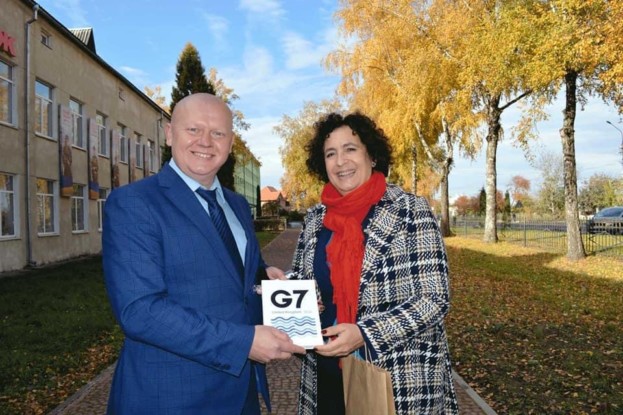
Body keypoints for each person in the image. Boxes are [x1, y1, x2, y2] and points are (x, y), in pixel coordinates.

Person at [102, 93, 305, 415]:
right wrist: (243, 343)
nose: (206, 142)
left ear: (230, 143)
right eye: (193, 129)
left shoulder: (237, 205)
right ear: (170, 134)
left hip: (241, 394)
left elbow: (234, 273)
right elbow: (140, 311)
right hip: (171, 397)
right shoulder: (134, 203)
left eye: (218, 133)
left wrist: (267, 280)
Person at [291, 112, 459, 414]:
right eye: (331, 153)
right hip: (326, 378)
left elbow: (435, 299)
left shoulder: (410, 211)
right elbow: (305, 283)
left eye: (350, 149)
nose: (340, 161)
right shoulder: (315, 219)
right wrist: (287, 291)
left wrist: (365, 334)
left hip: (397, 379)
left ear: (371, 156)